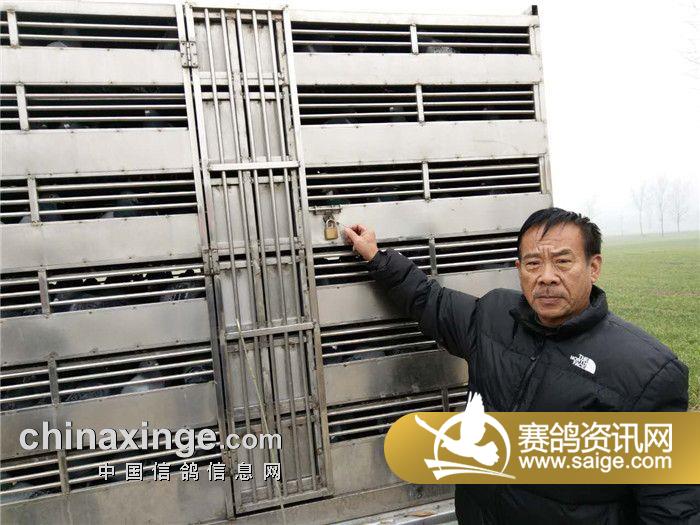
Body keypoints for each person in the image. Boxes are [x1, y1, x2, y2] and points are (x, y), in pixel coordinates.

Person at [342, 207, 699, 524]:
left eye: (562, 262)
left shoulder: (647, 371)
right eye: (533, 264)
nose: (546, 276)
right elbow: (428, 300)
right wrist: (376, 256)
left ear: (594, 267)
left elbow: (671, 508)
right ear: (519, 270)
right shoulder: (493, 317)